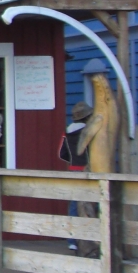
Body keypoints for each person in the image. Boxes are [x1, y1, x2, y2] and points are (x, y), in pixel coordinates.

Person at [59, 101, 94, 253]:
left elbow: (62, 154)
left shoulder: (67, 132)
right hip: (90, 170)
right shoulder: (90, 131)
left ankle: (72, 240)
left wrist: (73, 160)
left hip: (74, 170)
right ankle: (92, 239)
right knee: (93, 204)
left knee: (74, 205)